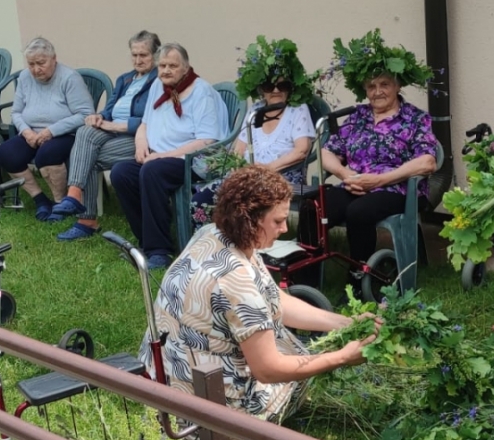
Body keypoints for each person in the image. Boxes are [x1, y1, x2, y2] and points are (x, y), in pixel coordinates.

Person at [149, 165, 375, 423]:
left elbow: (273, 298)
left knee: (287, 343)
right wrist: (342, 357)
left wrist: (345, 323)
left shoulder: (211, 234)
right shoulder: (237, 282)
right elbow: (268, 369)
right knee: (300, 371)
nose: (285, 229)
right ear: (250, 220)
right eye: (278, 221)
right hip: (205, 406)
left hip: (164, 377)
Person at [295, 30, 438, 287]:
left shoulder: (414, 118)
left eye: (384, 84)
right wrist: (345, 175)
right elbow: (327, 151)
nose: (377, 91)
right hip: (356, 183)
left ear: (397, 85)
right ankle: (304, 281)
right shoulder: (358, 116)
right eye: (371, 86)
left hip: (397, 188)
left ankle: (361, 281)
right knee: (312, 207)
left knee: (358, 212)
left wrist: (380, 180)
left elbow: (428, 161)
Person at [109, 43, 229, 269]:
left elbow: (207, 140)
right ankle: (145, 242)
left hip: (194, 160)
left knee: (152, 171)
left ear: (186, 68)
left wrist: (164, 155)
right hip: (160, 158)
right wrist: (140, 142)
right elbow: (145, 122)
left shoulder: (200, 91)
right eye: (162, 65)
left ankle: (160, 252)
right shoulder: (158, 85)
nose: (166, 70)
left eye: (172, 66)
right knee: (120, 173)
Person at [49, 31, 163, 241]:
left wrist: (117, 126)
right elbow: (109, 109)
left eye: (143, 55)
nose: (138, 60)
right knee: (85, 130)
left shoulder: (160, 81)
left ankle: (85, 218)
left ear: (155, 56)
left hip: (139, 138)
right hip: (110, 131)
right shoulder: (125, 79)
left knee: (88, 159)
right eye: (134, 54)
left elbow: (156, 120)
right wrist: (98, 117)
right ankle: (75, 196)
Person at [192, 36, 316, 220]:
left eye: (282, 85)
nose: (275, 91)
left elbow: (301, 150)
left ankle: (244, 243)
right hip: (249, 176)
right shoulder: (255, 110)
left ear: (290, 87)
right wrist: (237, 172)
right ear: (260, 89)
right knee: (202, 198)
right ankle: (215, 245)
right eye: (268, 85)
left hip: (281, 177)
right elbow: (239, 149)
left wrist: (266, 169)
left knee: (239, 200)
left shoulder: (298, 110)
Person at [0, 37, 93, 220]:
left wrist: (51, 131)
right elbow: (16, 112)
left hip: (65, 133)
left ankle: (60, 204)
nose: (35, 69)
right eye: (31, 64)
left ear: (54, 59)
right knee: (6, 152)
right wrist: (26, 132)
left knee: (47, 154)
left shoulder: (69, 77)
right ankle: (41, 200)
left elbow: (85, 114)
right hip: (31, 133)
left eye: (41, 63)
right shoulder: (25, 77)